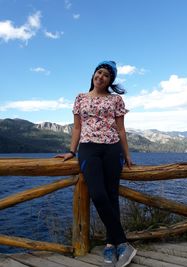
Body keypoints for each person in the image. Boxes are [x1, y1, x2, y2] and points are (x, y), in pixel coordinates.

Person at [56, 61, 137, 267]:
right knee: (98, 195)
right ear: (93, 74)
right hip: (88, 149)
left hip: (112, 149)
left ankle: (111, 245)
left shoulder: (115, 99)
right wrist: (71, 151)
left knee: (111, 195)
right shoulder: (80, 98)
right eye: (99, 72)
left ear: (110, 81)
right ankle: (123, 242)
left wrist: (127, 154)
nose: (101, 77)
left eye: (107, 75)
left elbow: (120, 130)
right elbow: (76, 128)